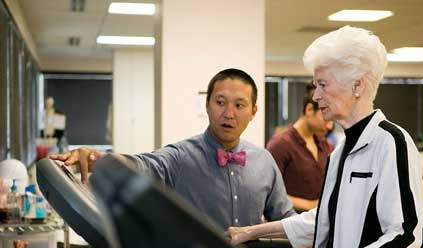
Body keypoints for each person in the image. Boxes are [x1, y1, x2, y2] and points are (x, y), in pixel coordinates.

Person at [226, 26, 423, 248]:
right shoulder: (339, 152)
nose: (316, 96)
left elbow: (405, 235)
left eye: (322, 84)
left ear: (357, 85)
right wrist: (251, 231)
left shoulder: (391, 142)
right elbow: (325, 218)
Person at [50, 68, 295, 230]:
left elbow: (286, 221)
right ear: (207, 105)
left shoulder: (264, 162)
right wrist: (96, 159)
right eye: (220, 102)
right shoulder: (180, 157)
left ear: (253, 112)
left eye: (239, 105)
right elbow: (142, 164)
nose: (228, 113)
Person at [266, 82, 331, 212]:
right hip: (289, 225)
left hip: (316, 226)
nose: (330, 126)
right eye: (326, 118)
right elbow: (269, 193)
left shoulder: (324, 144)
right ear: (309, 110)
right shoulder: (280, 144)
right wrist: (311, 205)